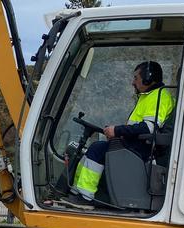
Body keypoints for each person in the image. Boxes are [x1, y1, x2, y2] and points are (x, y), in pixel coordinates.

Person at [69, 61, 175, 204]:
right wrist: (116, 131)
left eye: (136, 78)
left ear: (148, 78)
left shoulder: (159, 97)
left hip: (144, 149)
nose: (133, 82)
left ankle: (85, 198)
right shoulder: (148, 96)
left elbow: (148, 128)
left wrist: (117, 130)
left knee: (97, 149)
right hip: (137, 143)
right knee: (93, 149)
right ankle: (76, 191)